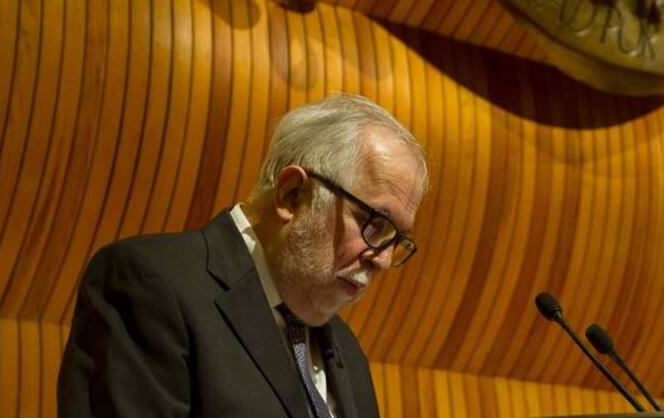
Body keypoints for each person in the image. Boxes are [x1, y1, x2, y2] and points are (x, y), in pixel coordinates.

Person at [58, 94, 428, 417]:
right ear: (292, 194)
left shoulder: (348, 351)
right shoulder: (150, 287)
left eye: (396, 239)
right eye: (373, 223)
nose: (381, 260)